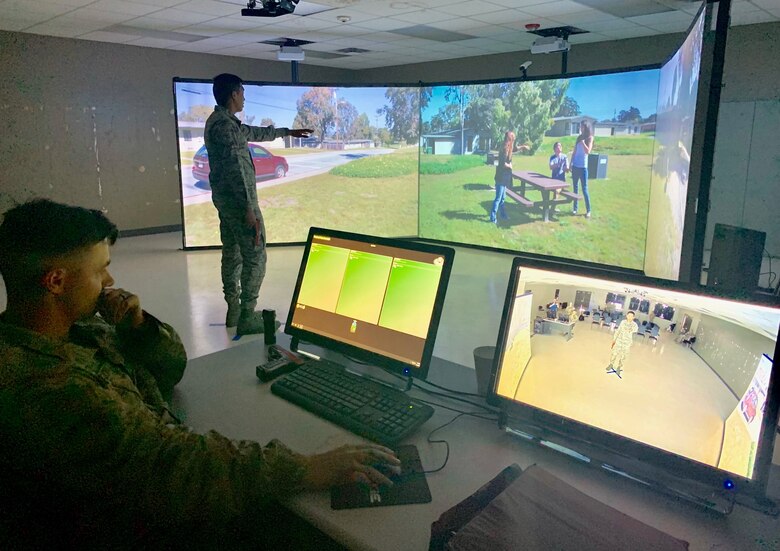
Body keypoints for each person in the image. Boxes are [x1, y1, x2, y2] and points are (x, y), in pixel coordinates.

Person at [0, 199, 399, 548]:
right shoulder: (43, 388)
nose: (110, 282)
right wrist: (304, 468)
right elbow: (172, 467)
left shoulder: (76, 330)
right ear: (56, 281)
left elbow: (172, 367)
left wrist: (138, 325)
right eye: (100, 270)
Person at [205, 73, 313, 335]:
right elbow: (236, 170)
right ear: (233, 95)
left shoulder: (221, 122)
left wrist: (287, 132)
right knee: (255, 257)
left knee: (232, 253)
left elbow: (256, 132)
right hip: (239, 205)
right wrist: (249, 210)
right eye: (242, 92)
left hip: (226, 203)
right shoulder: (226, 127)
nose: (244, 97)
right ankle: (246, 314)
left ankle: (233, 308)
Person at [489, 131, 529, 224]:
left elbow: (515, 148)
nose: (514, 140)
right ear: (509, 139)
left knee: (503, 198)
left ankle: (503, 215)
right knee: (498, 198)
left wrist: (523, 147)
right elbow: (502, 164)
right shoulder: (504, 149)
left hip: (505, 177)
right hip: (501, 177)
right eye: (513, 138)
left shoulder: (509, 148)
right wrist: (510, 166)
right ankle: (492, 218)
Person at [569, 122, 594, 218]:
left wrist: (583, 143)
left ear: (586, 127)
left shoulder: (590, 138)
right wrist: (571, 163)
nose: (580, 127)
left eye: (581, 126)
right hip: (575, 166)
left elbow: (588, 151)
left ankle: (588, 210)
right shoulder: (578, 137)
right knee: (575, 188)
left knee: (584, 189)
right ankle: (575, 209)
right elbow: (574, 152)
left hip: (583, 167)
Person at [606, 310, 639, 377]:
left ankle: (619, 367)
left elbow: (634, 330)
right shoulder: (623, 322)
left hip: (627, 343)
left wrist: (629, 328)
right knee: (614, 353)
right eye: (628, 315)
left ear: (633, 317)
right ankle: (611, 364)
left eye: (631, 316)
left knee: (623, 356)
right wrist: (614, 340)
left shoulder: (634, 325)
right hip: (619, 341)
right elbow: (618, 330)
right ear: (626, 316)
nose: (629, 317)